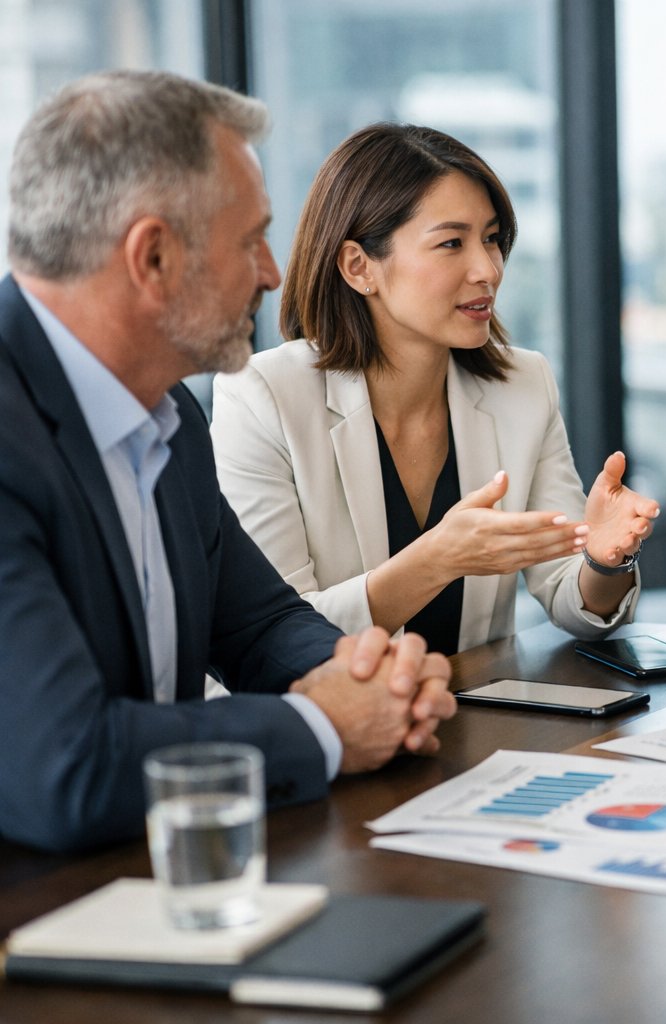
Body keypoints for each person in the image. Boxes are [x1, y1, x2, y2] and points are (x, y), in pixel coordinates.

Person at [0, 70, 456, 855]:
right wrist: (324, 725)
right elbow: (64, 766)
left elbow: (257, 624)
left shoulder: (167, 411)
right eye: (250, 240)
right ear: (153, 258)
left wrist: (369, 673)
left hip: (158, 881)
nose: (274, 272)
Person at [211, 124, 658, 655]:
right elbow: (268, 637)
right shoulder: (263, 397)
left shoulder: (523, 384)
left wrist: (603, 560)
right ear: (359, 267)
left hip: (476, 723)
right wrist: (437, 559)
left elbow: (571, 597)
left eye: (491, 239)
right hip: (328, 729)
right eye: (452, 243)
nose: (487, 269)